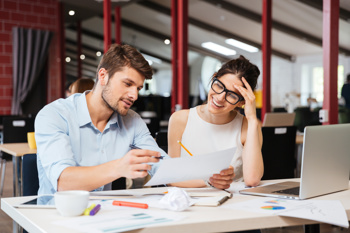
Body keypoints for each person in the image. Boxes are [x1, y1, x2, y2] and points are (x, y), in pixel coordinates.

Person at [35, 44, 166, 195]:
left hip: (105, 212)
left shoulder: (132, 120)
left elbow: (164, 167)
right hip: (57, 214)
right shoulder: (55, 114)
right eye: (128, 84)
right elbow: (63, 182)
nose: (134, 96)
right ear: (103, 76)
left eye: (138, 88)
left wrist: (199, 176)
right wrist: (118, 167)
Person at [168, 55, 264, 189]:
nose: (219, 98)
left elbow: (252, 180)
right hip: (189, 202)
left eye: (232, 95)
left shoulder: (248, 126)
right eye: (219, 86)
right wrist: (209, 181)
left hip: (234, 203)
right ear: (213, 78)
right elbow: (170, 177)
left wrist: (253, 118)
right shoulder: (180, 119)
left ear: (242, 102)